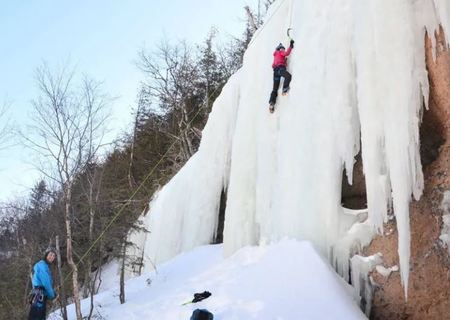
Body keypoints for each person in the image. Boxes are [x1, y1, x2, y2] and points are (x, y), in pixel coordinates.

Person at [28, 247, 57, 320]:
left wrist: (53, 292)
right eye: (50, 255)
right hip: (39, 296)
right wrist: (52, 295)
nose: (52, 257)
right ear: (46, 255)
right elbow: (46, 283)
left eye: (54, 256)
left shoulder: (44, 266)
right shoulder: (42, 265)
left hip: (39, 295)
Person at [268, 39, 295, 113]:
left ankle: (271, 104)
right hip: (280, 69)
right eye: (282, 48)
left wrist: (284, 62)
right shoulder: (280, 51)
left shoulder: (275, 55)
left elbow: (273, 65)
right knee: (288, 76)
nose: (283, 49)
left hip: (275, 72)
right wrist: (291, 46)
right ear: (280, 48)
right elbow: (286, 53)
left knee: (275, 89)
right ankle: (284, 89)